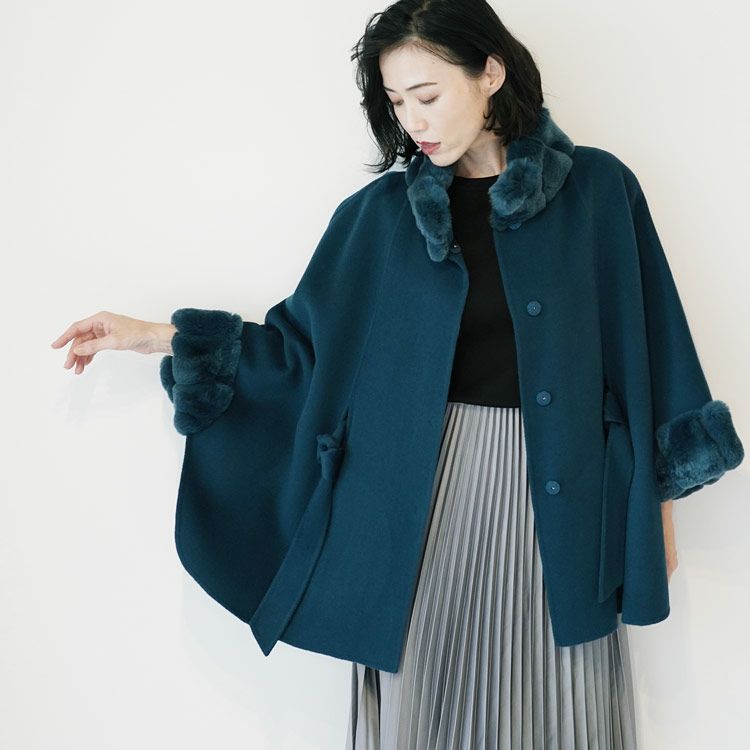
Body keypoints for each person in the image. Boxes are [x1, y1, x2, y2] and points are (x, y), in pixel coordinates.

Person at [51, 1, 744, 747]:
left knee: (557, 701)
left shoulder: (599, 192)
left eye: (428, 95)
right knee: (426, 708)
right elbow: (299, 355)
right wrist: (156, 337)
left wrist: (657, 511)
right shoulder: (381, 218)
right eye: (396, 102)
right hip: (422, 503)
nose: (414, 121)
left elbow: (652, 348)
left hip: (564, 498)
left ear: (490, 72)